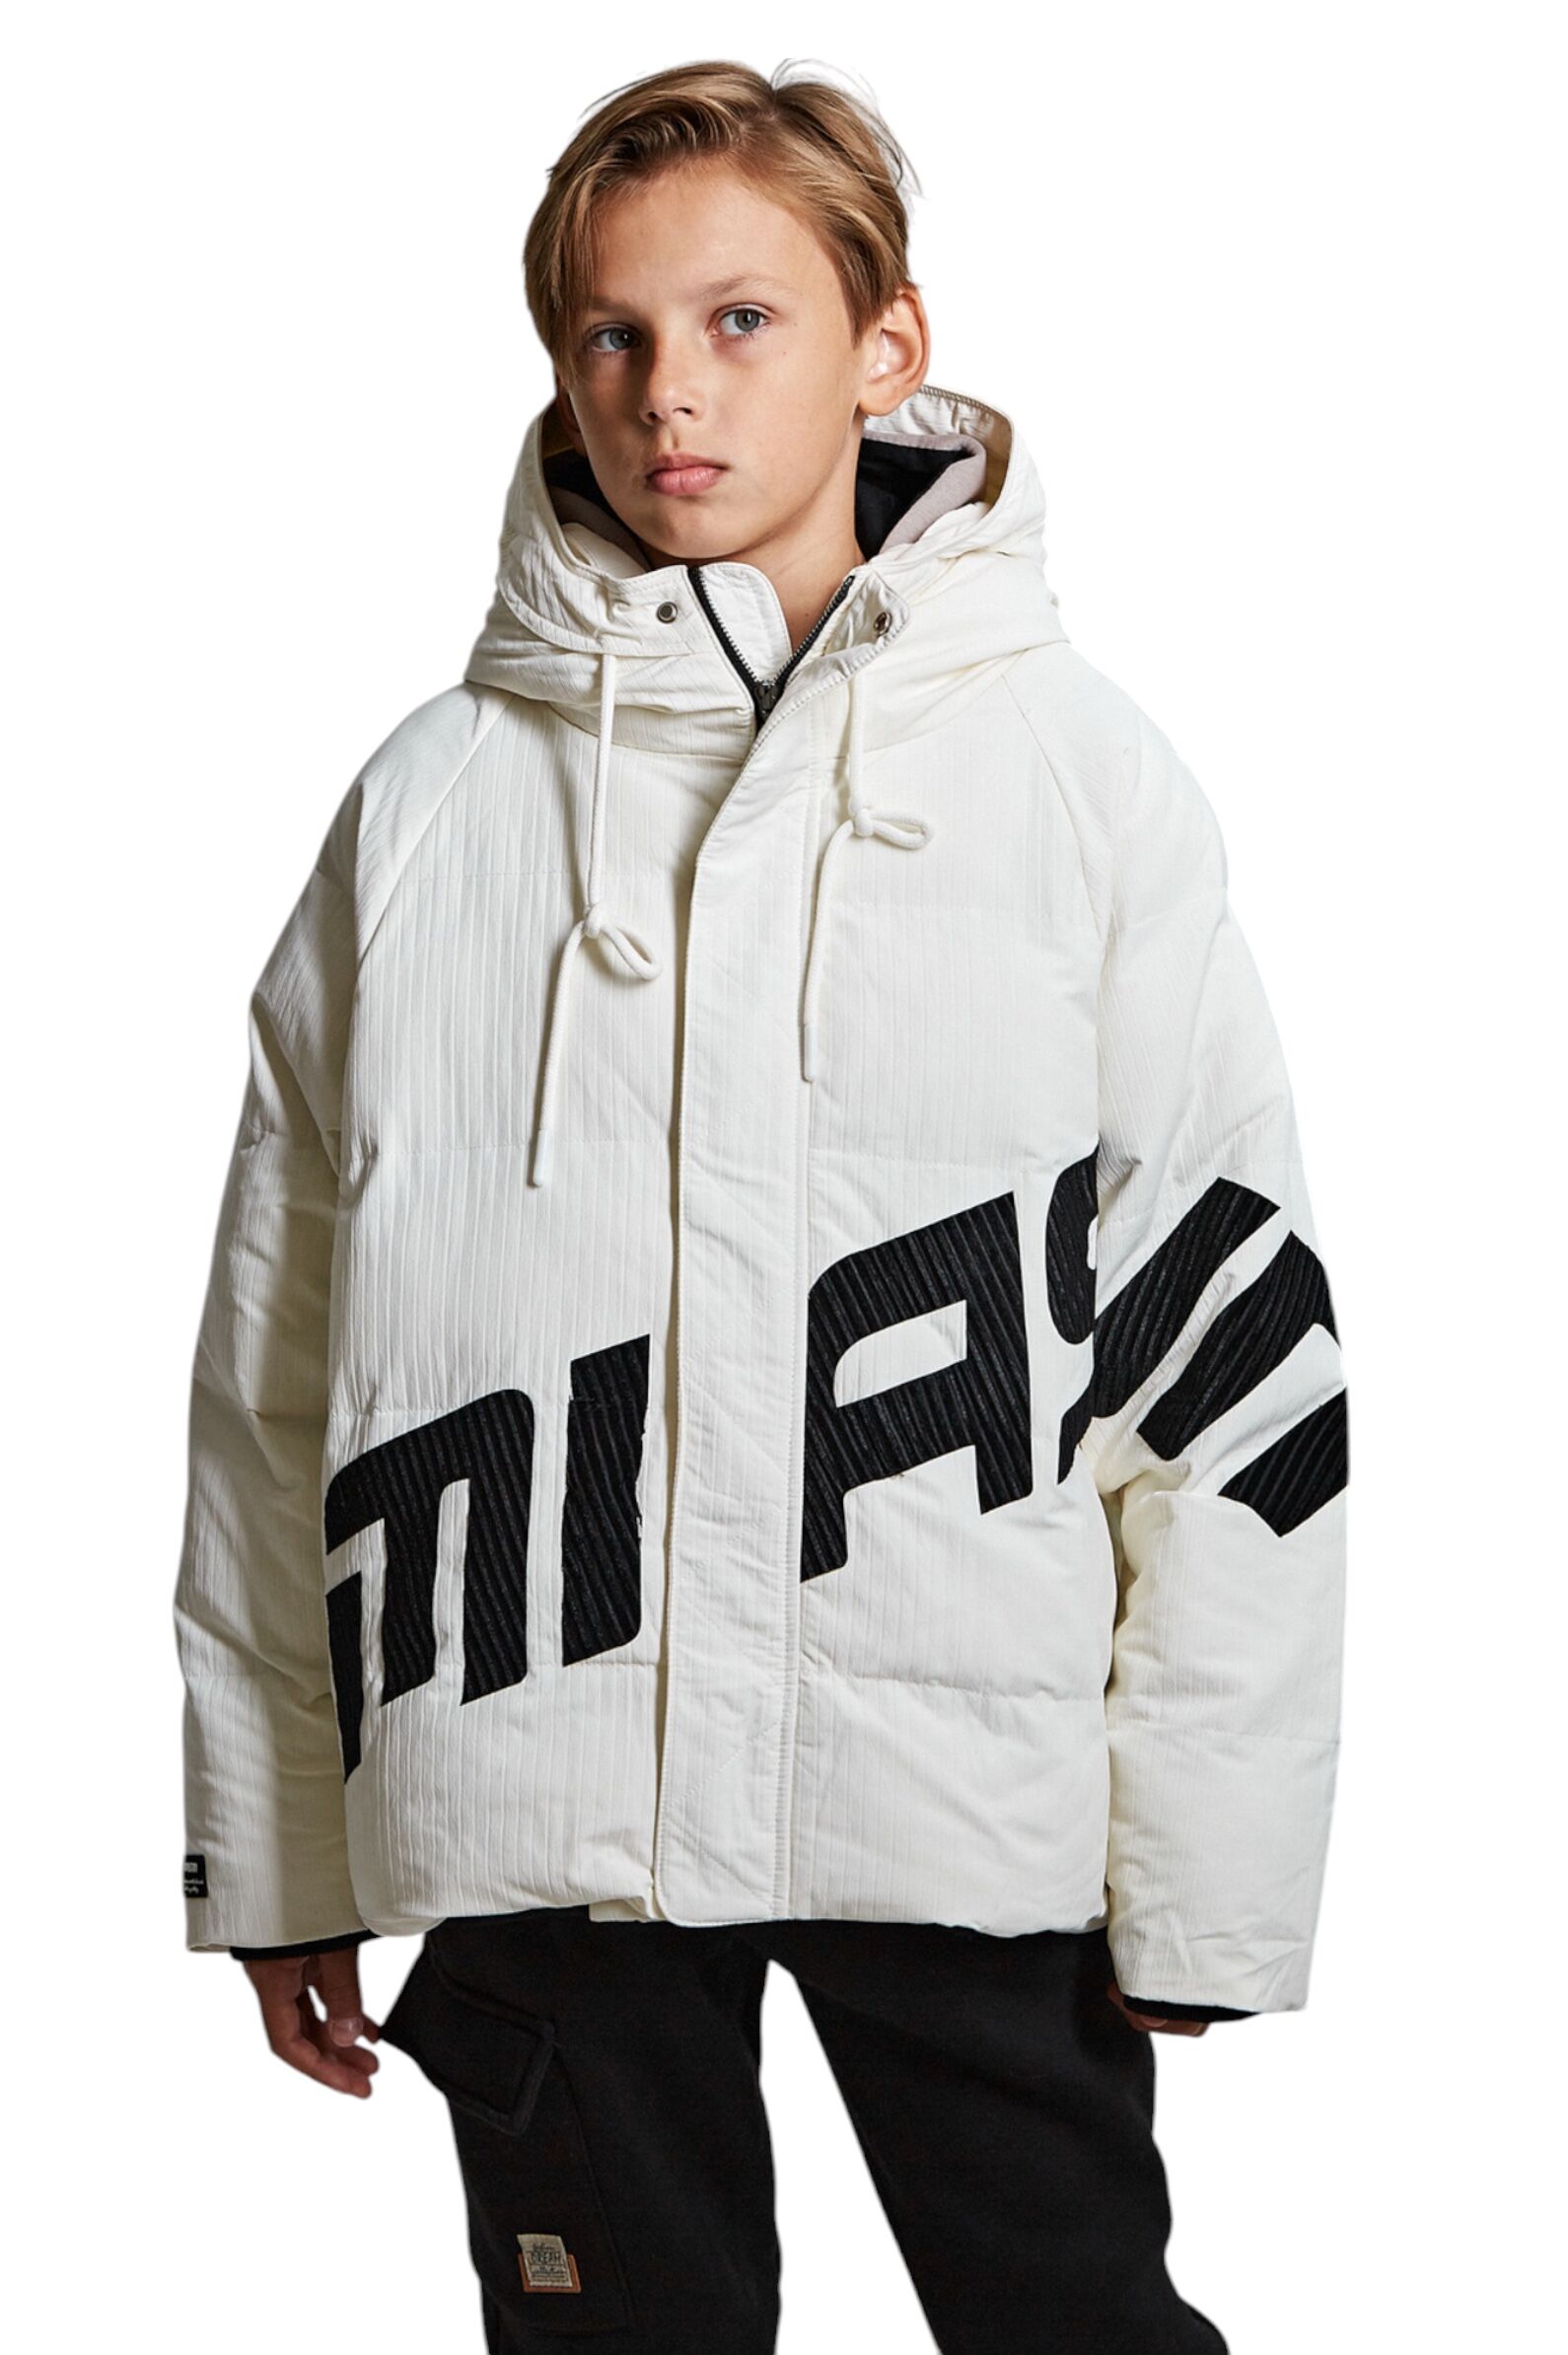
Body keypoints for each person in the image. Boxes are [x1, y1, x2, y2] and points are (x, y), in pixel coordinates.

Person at [173, 55, 1349, 2355]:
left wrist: (1203, 1878)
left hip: (961, 1799)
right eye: (611, 335)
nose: (668, 392)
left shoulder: (1075, 784)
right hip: (537, 1785)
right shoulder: (430, 809)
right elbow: (272, 1373)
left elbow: (1231, 1342)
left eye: (740, 320)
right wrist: (278, 1840)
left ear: (888, 344)